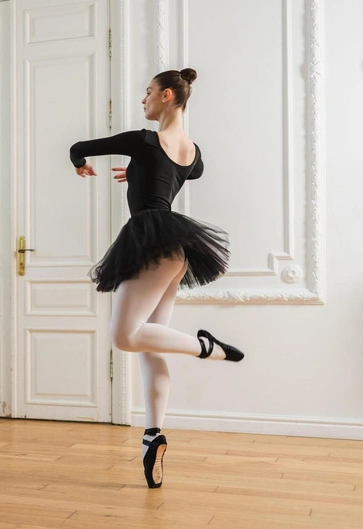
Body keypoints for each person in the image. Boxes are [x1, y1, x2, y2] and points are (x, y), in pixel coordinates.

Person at [69, 68, 244, 489]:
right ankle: (153, 435)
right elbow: (186, 172)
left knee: (124, 336)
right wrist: (140, 174)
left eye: (148, 92)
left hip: (151, 242)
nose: (143, 99)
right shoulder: (193, 154)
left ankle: (207, 347)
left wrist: (81, 166)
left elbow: (79, 148)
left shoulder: (144, 141)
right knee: (150, 342)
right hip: (177, 250)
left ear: (167, 95)